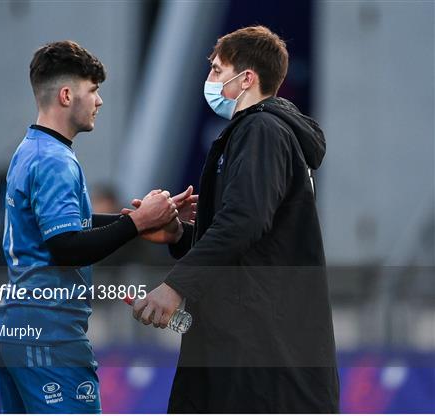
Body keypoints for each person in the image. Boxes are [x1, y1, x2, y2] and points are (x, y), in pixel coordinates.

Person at [132, 26, 340, 413]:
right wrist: (181, 235)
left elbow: (244, 221)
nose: (208, 80)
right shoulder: (261, 132)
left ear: (246, 78)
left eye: (216, 70)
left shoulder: (262, 131)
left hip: (260, 356)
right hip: (252, 346)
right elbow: (258, 240)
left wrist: (175, 286)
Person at [0, 40, 194, 414]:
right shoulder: (56, 160)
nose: (99, 101)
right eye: (93, 90)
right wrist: (135, 222)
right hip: (50, 332)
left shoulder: (30, 148)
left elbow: (54, 228)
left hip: (15, 327)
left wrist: (139, 225)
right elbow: (67, 247)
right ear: (67, 95)